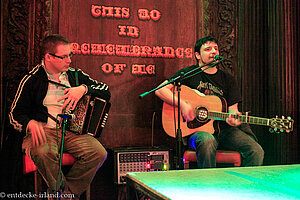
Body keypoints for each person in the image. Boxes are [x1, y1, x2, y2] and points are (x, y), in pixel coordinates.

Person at [9, 34, 110, 199]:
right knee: (42, 151)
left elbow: (105, 90)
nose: (69, 60)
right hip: (44, 130)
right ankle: (64, 194)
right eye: (63, 57)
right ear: (48, 57)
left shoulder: (75, 76)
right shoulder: (32, 79)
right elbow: (15, 113)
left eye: (70, 55)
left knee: (98, 152)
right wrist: (30, 124)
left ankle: (63, 194)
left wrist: (83, 89)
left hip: (71, 132)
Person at [155, 36, 264, 168]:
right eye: (208, 49)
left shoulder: (228, 79)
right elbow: (160, 90)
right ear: (198, 55)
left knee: (256, 151)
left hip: (225, 131)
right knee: (207, 140)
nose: (213, 52)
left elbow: (233, 109)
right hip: (196, 131)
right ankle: (208, 185)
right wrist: (183, 104)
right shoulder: (188, 74)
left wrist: (233, 118)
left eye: (216, 49)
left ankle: (245, 186)